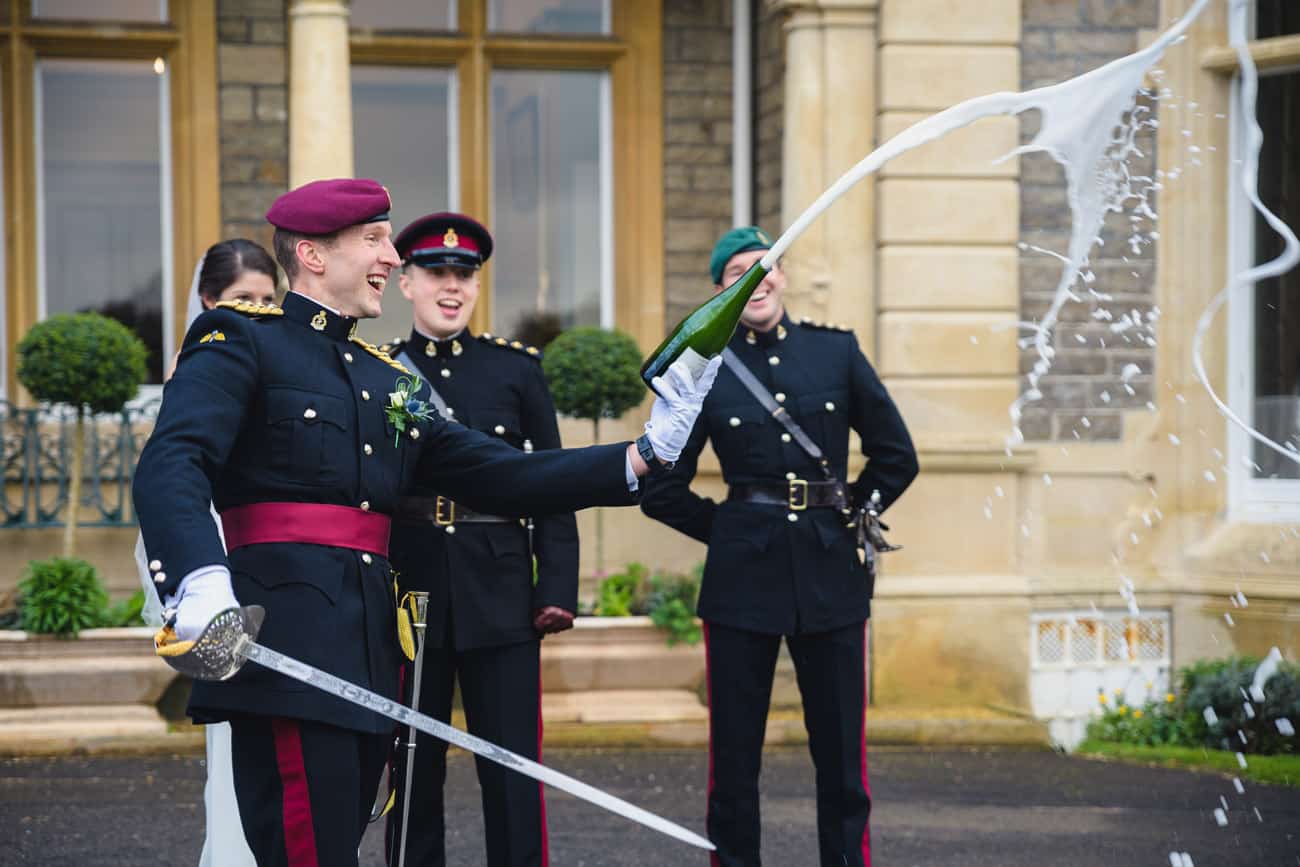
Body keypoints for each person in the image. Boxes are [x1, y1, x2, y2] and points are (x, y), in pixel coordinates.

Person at [133, 178, 718, 867]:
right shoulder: (242, 339)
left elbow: (502, 471)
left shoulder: (387, 380)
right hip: (288, 645)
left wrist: (643, 454)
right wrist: (199, 577)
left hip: (370, 658)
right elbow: (172, 460)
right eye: (375, 239)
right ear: (314, 254)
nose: (390, 256)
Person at [640, 226, 919, 867]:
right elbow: (661, 488)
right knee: (735, 759)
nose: (756, 279)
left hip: (830, 572)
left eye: (764, 266)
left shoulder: (836, 352)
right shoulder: (703, 368)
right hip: (743, 582)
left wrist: (853, 514)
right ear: (722, 290)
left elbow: (896, 456)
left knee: (843, 758)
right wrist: (730, 530)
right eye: (738, 271)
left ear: (782, 274)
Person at [376, 212, 574, 867]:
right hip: (411, 590)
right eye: (436, 272)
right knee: (411, 764)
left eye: (465, 274)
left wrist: (557, 587)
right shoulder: (378, 373)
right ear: (406, 282)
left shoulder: (516, 371)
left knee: (513, 768)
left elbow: (550, 482)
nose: (452, 285)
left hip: (502, 589)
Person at [135, 238, 279, 867]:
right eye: (242, 299)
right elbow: (178, 476)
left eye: (268, 299)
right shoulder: (200, 368)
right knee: (233, 741)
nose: (256, 310)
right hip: (218, 545)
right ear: (209, 301)